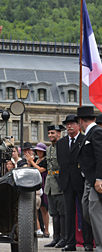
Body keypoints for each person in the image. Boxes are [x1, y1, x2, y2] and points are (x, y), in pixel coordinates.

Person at [57, 114, 93, 251]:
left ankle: (87, 243)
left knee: (84, 213)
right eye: (67, 124)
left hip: (81, 180)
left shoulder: (85, 140)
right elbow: (62, 162)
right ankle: (70, 242)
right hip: (67, 182)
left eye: (72, 124)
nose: (69, 126)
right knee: (69, 213)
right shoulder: (61, 143)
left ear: (79, 125)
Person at [76, 106, 102, 252]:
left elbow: (100, 156)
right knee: (86, 212)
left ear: (80, 121)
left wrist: (99, 178)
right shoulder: (90, 132)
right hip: (88, 181)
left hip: (95, 180)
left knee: (94, 212)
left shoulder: (96, 131)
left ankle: (100, 247)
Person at [44, 124, 66, 249]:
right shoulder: (49, 149)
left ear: (59, 134)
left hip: (60, 183)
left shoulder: (63, 147)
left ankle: (64, 238)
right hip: (50, 184)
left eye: (53, 133)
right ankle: (55, 237)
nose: (50, 135)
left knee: (62, 213)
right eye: (49, 133)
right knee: (53, 213)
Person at [26, 142, 49, 238]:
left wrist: (31, 162)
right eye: (38, 150)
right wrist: (29, 162)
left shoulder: (45, 160)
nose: (39, 152)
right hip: (34, 184)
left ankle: (46, 231)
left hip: (43, 184)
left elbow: (40, 170)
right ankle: (38, 229)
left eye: (41, 151)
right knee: (35, 208)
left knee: (44, 208)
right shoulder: (35, 159)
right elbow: (29, 170)